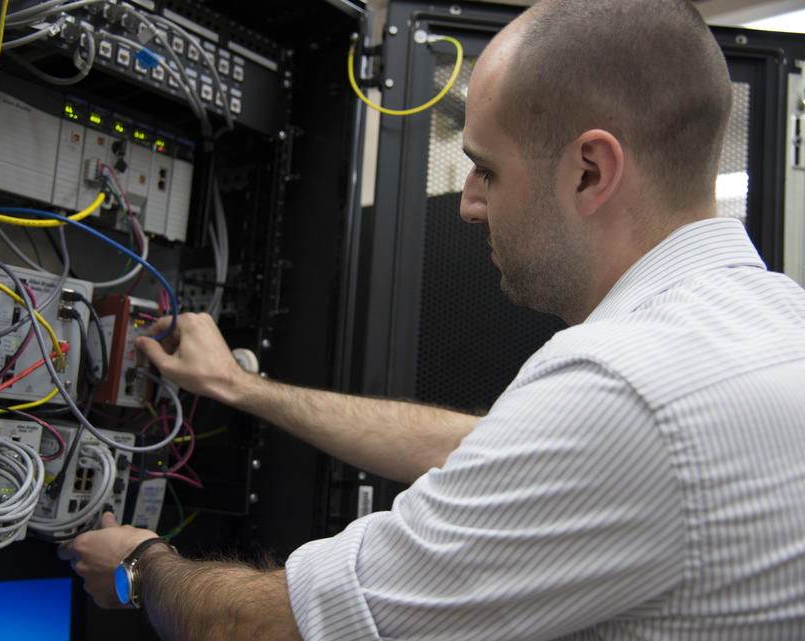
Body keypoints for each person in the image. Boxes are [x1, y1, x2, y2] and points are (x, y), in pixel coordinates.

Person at [58, 0, 805, 638]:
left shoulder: (622, 388)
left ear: (590, 171)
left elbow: (266, 626)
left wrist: (138, 566)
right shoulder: (773, 323)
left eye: (487, 168)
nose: (469, 202)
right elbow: (479, 449)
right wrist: (242, 388)